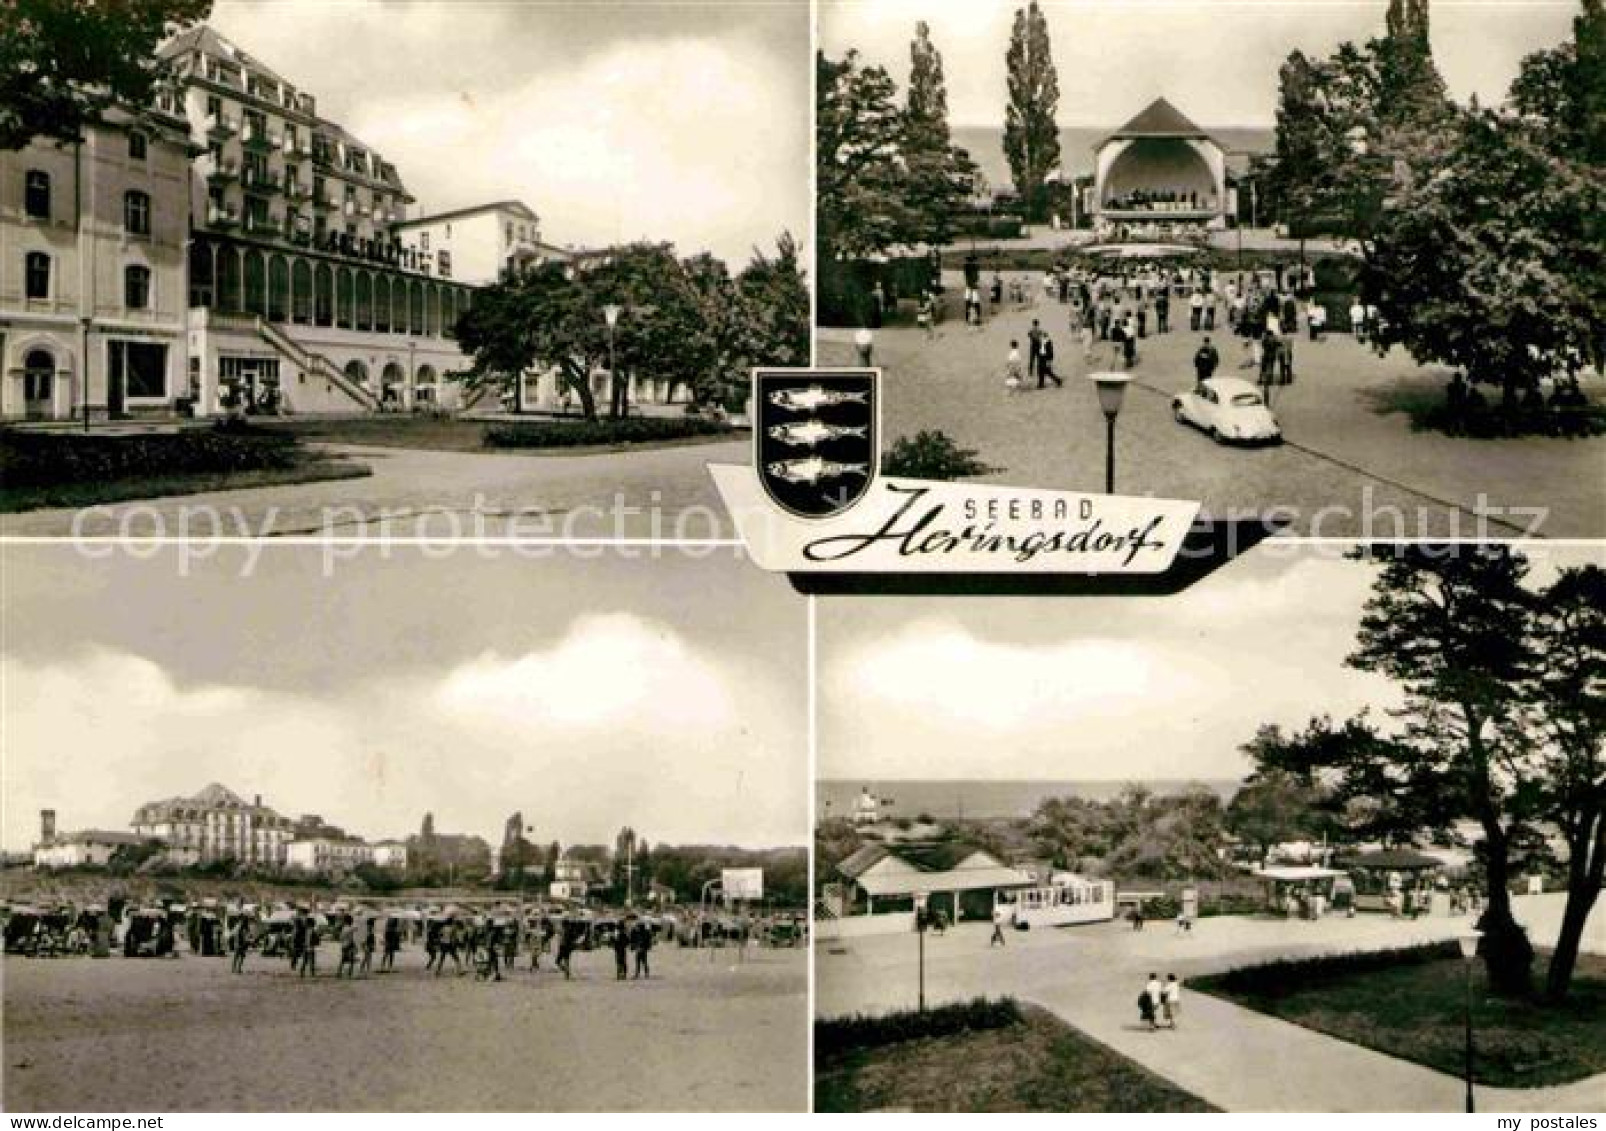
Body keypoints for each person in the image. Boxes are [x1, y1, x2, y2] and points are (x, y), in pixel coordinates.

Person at [337, 913, 358, 979]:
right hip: (349, 945)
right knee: (351, 960)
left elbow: (341, 938)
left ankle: (339, 972)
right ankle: (349, 973)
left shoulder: (344, 928)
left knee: (343, 960)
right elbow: (356, 928)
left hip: (345, 945)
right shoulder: (350, 928)